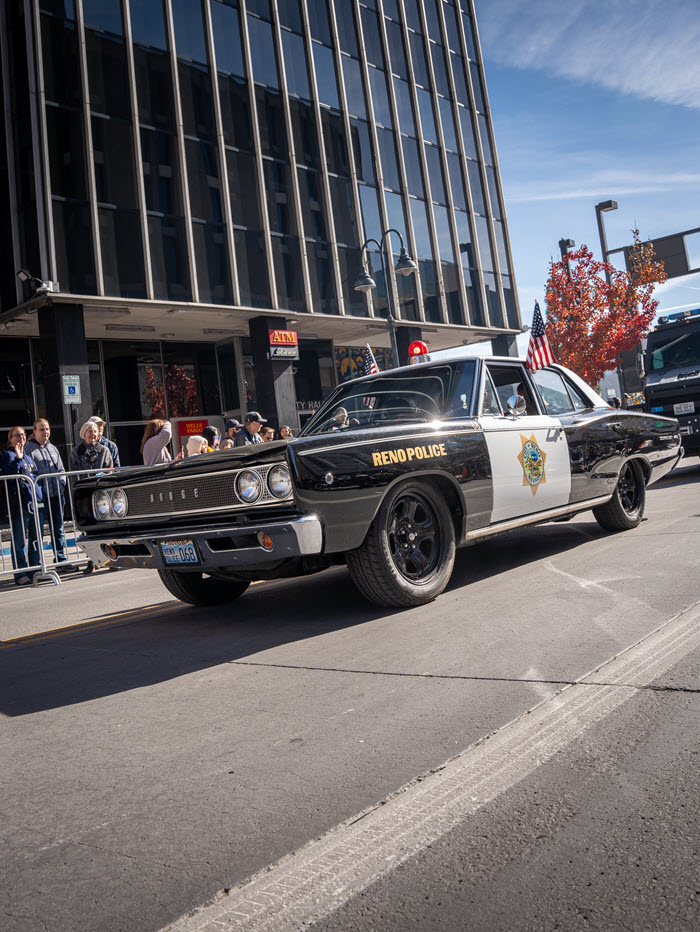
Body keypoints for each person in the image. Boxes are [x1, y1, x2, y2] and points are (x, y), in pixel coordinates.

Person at [1, 426, 44, 585]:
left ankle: (35, 569)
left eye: (22, 435)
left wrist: (40, 494)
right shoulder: (9, 455)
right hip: (19, 504)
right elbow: (8, 476)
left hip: (34, 503)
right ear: (10, 439)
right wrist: (18, 459)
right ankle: (20, 574)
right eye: (16, 435)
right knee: (19, 540)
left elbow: (35, 476)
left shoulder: (29, 457)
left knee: (35, 538)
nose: (20, 438)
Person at [24, 418, 68, 568]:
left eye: (47, 429)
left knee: (59, 530)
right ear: (34, 431)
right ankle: (36, 565)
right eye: (41, 429)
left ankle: (61, 561)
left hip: (57, 496)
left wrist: (62, 484)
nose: (45, 432)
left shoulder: (53, 448)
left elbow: (61, 470)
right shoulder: (28, 450)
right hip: (40, 499)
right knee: (37, 533)